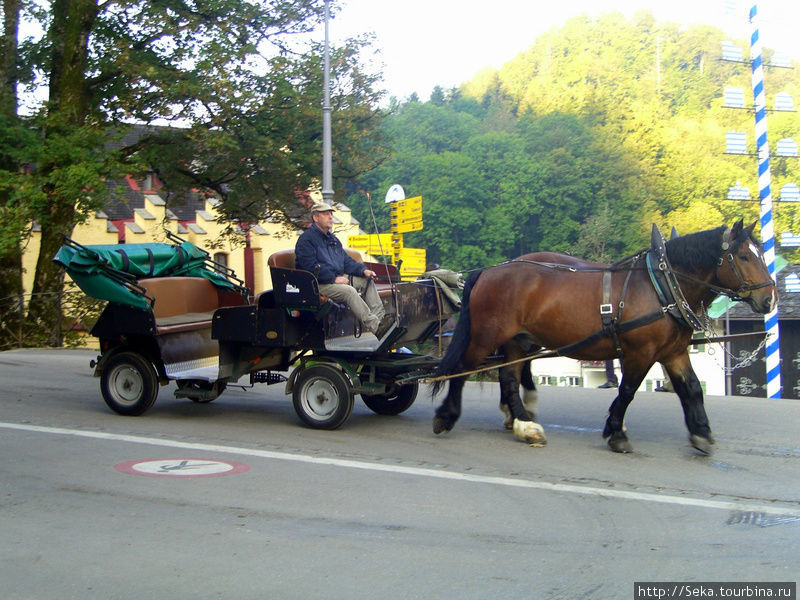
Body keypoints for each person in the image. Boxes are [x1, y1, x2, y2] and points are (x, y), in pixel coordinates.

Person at [295, 201, 394, 339]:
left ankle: (381, 321)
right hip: (317, 284)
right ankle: (376, 327)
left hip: (335, 279)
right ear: (315, 218)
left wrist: (363, 270)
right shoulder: (306, 240)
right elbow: (309, 267)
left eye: (330, 213)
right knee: (349, 291)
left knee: (367, 280)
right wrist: (333, 279)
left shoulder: (333, 239)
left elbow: (345, 261)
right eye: (325, 214)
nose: (330, 217)